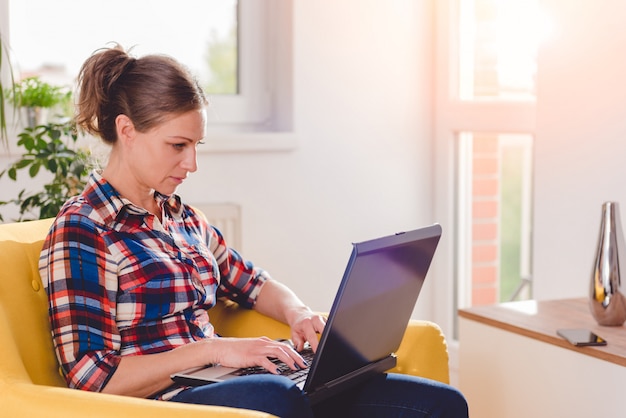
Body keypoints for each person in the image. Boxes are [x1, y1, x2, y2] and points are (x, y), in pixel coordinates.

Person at [39, 44, 468, 418]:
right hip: (164, 401)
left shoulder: (183, 220)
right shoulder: (84, 229)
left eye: (196, 146)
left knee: (440, 405)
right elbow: (93, 377)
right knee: (278, 397)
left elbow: (253, 283)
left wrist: (298, 313)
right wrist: (212, 350)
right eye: (178, 145)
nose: (191, 164)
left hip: (226, 384)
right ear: (127, 130)